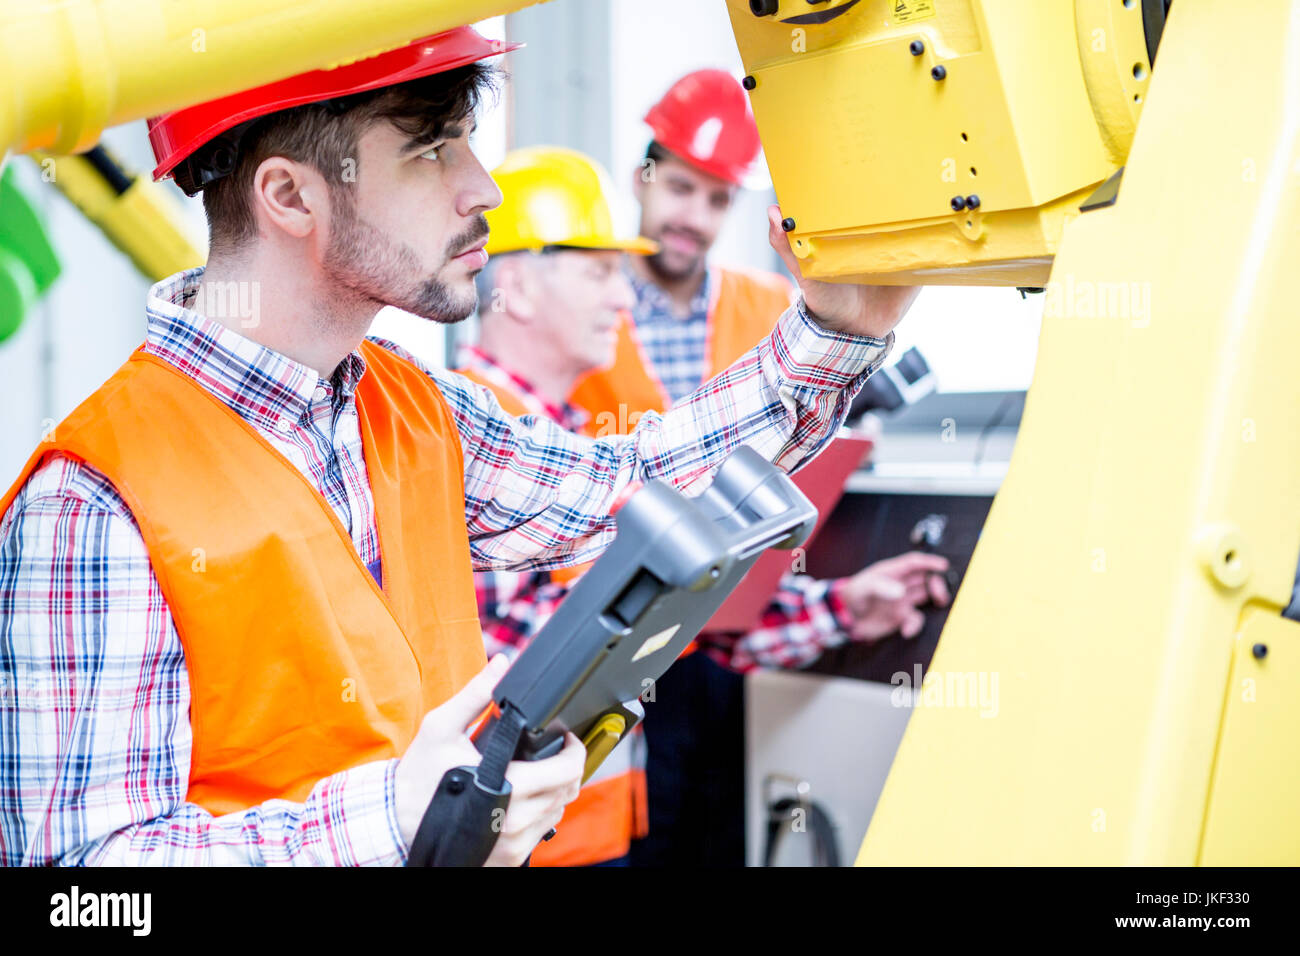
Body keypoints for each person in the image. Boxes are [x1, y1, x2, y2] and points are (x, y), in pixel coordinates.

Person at [0, 30, 916, 867]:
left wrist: (836, 328)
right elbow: (80, 885)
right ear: (289, 195)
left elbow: (626, 492)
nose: (483, 187)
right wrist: (391, 822)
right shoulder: (92, 502)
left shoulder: (412, 405)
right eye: (432, 148)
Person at [462, 146, 947, 866]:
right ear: (521, 291)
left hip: (573, 826)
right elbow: (604, 637)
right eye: (599, 272)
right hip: (521, 841)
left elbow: (662, 607)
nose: (625, 301)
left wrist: (838, 607)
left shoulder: (555, 443)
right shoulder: (466, 442)